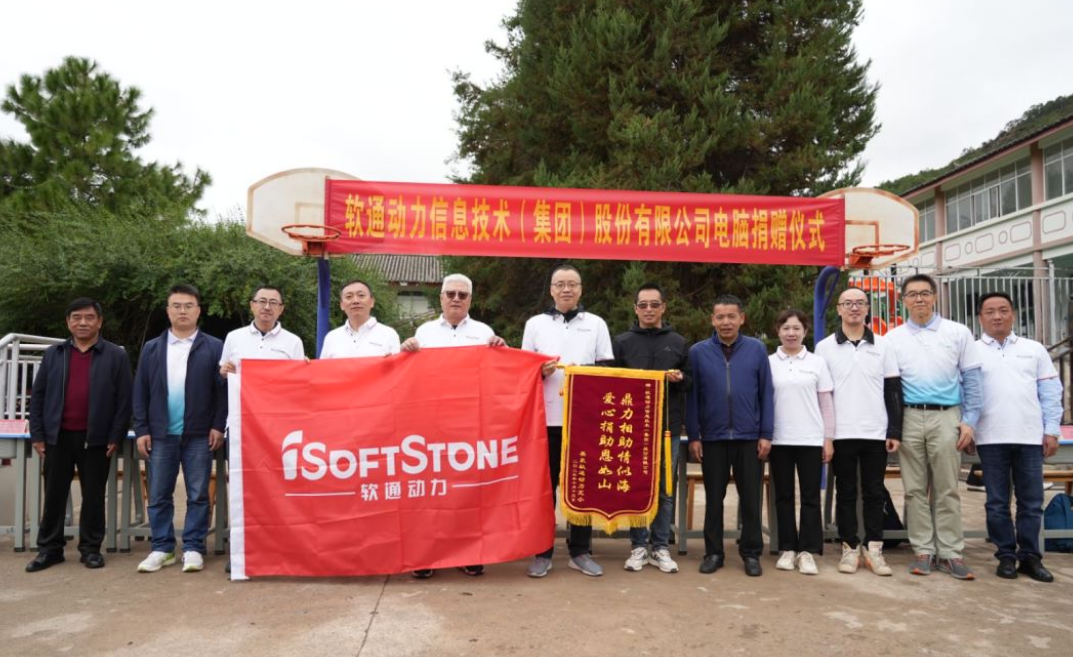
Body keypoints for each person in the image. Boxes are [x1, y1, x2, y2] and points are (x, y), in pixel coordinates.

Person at [400, 273, 506, 578]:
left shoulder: (484, 332)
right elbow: (409, 375)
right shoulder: (424, 332)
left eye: (462, 294)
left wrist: (502, 349)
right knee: (431, 490)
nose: (456, 299)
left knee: (468, 491)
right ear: (441, 298)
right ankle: (427, 555)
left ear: (470, 300)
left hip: (471, 424)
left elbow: (499, 373)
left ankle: (468, 553)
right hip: (431, 424)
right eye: (450, 294)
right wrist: (405, 352)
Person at [885, 274, 982, 580]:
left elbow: (973, 381)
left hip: (947, 417)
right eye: (912, 294)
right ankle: (923, 550)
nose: (919, 299)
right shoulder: (893, 338)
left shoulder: (957, 332)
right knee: (914, 489)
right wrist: (893, 427)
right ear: (903, 301)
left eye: (925, 293)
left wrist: (969, 421)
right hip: (910, 418)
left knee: (947, 488)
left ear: (935, 297)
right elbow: (890, 388)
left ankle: (951, 552)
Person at [25, 298, 133, 572]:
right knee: (54, 495)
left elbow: (124, 400)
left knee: (93, 496)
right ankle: (50, 549)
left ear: (100, 322)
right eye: (76, 317)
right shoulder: (54, 354)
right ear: (68, 322)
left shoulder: (115, 355)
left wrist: (116, 436)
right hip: (57, 437)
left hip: (96, 438)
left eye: (89, 317)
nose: (83, 322)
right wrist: (37, 434)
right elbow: (38, 397)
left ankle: (90, 549)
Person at [521, 264, 613, 578]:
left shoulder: (596, 323)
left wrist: (585, 374)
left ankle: (580, 551)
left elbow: (607, 371)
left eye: (572, 284)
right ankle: (542, 552)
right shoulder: (535, 324)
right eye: (560, 284)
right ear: (551, 290)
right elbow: (522, 373)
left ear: (581, 289)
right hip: (545, 421)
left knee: (581, 488)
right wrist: (540, 371)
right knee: (545, 490)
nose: (566, 289)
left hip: (583, 421)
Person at [133, 284, 227, 573]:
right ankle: (162, 548)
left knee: (198, 494)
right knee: (159, 494)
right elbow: (140, 391)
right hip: (161, 434)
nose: (182, 311)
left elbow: (222, 392)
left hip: (200, 434)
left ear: (198, 311)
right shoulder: (152, 348)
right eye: (177, 306)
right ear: (168, 311)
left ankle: (193, 547)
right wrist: (142, 429)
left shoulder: (214, 347)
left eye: (188, 306)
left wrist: (217, 425)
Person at [974, 291, 1062, 582]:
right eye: (990, 311)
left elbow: (1050, 392)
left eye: (1003, 310)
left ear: (1012, 314)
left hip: (1029, 437)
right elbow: (966, 395)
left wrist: (1051, 430)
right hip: (990, 437)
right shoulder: (971, 351)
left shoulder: (1034, 349)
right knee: (996, 502)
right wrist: (967, 428)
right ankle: (1006, 556)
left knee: (1031, 502)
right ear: (981, 317)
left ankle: (1030, 557)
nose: (997, 316)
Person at [815, 288, 902, 576]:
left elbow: (893, 390)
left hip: (875, 431)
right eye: (848, 303)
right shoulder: (825, 347)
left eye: (860, 303)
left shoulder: (884, 345)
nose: (854, 308)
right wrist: (826, 435)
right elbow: (822, 396)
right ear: (838, 309)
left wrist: (894, 430)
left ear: (867, 309)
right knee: (846, 492)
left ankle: (874, 549)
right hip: (841, 432)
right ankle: (850, 548)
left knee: (875, 492)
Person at [686, 294, 774, 577]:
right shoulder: (698, 352)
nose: (726, 322)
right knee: (714, 499)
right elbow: (693, 397)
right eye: (720, 317)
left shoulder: (756, 349)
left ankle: (751, 553)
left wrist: (766, 433)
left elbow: (766, 393)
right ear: (712, 320)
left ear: (741, 318)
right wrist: (695, 436)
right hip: (712, 438)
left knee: (750, 499)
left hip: (749, 438)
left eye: (731, 316)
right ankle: (713, 553)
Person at [219, 285, 304, 573]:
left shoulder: (293, 342)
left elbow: (298, 385)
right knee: (243, 490)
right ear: (252, 305)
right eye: (262, 301)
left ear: (281, 309)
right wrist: (225, 372)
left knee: (280, 490)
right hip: (242, 428)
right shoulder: (234, 338)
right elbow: (224, 373)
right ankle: (242, 552)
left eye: (273, 303)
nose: (267, 307)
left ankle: (280, 548)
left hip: (279, 431)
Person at [610, 283, 690, 574]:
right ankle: (639, 545)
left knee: (665, 490)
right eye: (643, 305)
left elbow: (692, 381)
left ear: (663, 308)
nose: (648, 310)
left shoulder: (678, 342)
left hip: (668, 428)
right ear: (635, 309)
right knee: (637, 487)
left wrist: (680, 378)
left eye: (654, 304)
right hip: (633, 429)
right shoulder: (622, 342)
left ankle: (660, 546)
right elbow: (610, 382)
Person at [768, 309, 834, 576]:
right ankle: (787, 548)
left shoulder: (817, 363)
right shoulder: (769, 363)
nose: (791, 333)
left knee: (810, 496)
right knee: (783, 496)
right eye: (786, 328)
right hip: (779, 440)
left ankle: (807, 551)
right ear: (778, 331)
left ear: (805, 332)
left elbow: (826, 404)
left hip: (811, 439)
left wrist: (828, 438)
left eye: (796, 328)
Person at [320, 279, 400, 358]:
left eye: (361, 295)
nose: (355, 301)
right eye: (349, 297)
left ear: (372, 302)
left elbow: (397, 365)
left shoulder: (389, 334)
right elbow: (323, 366)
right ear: (342, 305)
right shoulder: (332, 337)